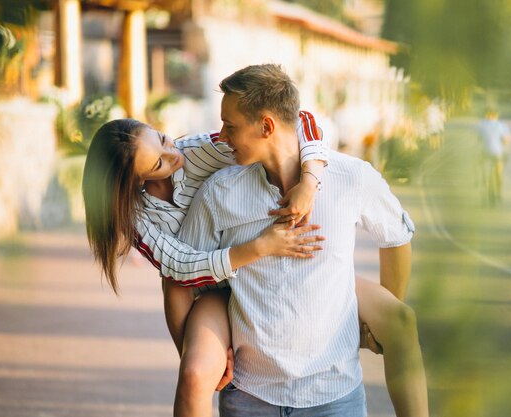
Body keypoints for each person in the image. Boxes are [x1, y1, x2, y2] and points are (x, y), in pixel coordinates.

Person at [178, 64, 428, 417]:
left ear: (266, 126)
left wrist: (379, 318)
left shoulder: (350, 177)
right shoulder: (220, 192)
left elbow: (397, 236)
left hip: (334, 396)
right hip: (250, 397)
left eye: (231, 126)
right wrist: (205, 351)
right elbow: (182, 274)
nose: (222, 136)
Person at [82, 112, 328, 417]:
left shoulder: (198, 149)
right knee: (194, 371)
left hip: (266, 269)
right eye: (158, 163)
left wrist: (309, 180)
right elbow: (178, 267)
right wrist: (259, 246)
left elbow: (298, 119)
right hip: (208, 291)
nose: (173, 154)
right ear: (135, 180)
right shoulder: (135, 216)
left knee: (392, 316)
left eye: (161, 139)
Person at [477, 109, 511, 206]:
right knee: (499, 174)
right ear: (496, 115)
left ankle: (484, 188)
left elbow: (478, 138)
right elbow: (506, 140)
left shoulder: (481, 124)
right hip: (497, 154)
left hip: (484, 154)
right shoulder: (501, 125)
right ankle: (499, 193)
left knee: (482, 170)